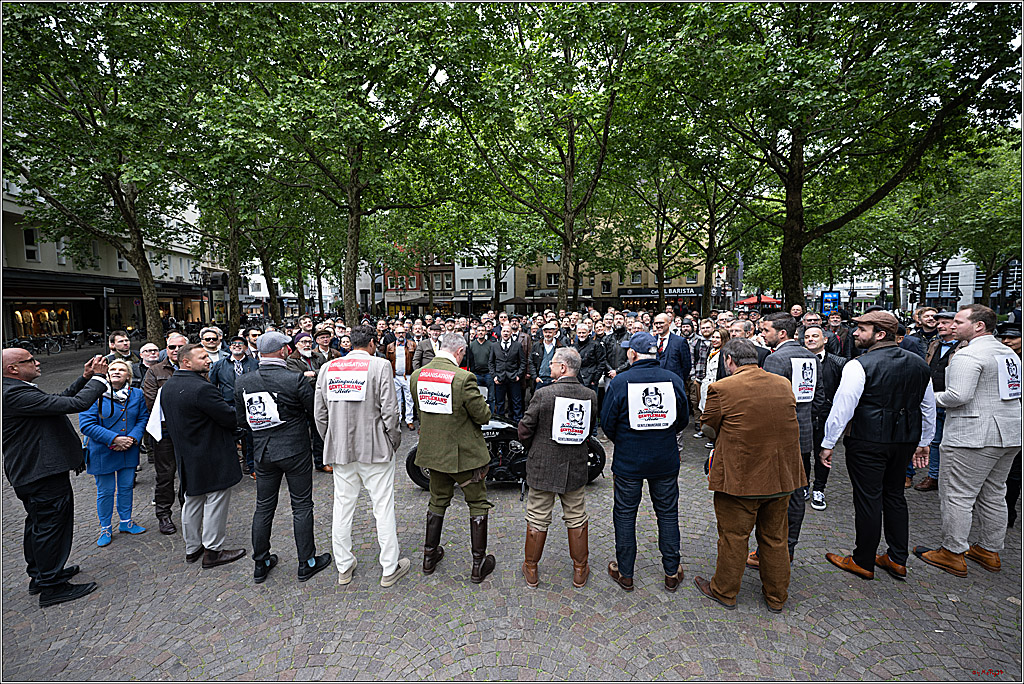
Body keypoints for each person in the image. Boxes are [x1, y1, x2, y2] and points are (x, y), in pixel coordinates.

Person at [820, 310, 935, 580]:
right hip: (904, 439)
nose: (856, 333)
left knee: (868, 498)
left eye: (862, 329)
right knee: (894, 496)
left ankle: (863, 560)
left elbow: (843, 407)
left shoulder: (859, 364)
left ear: (880, 334)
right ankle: (897, 558)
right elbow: (928, 406)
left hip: (867, 439)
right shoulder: (919, 363)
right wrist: (924, 441)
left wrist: (828, 442)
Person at [693, 339, 804, 613]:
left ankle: (724, 591)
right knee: (775, 538)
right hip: (780, 477)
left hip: (740, 478)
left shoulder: (722, 388)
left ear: (729, 360)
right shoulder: (783, 384)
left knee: (733, 536)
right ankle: (777, 596)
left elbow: (708, 427)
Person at [913, 305, 1022, 577]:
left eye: (959, 322)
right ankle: (989, 549)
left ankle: (952, 552)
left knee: (957, 494)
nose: (952, 325)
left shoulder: (968, 354)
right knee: (994, 492)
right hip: (1009, 432)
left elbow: (957, 396)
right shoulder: (1007, 353)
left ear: (979, 326)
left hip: (973, 435)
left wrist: (924, 398)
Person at [3, 350, 110, 607]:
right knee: (51, 526)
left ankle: (41, 575)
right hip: (41, 472)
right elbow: (75, 405)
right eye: (30, 360)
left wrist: (84, 378)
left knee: (39, 524)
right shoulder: (13, 393)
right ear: (13, 369)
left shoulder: (15, 389)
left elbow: (58, 400)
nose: (37, 362)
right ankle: (52, 586)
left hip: (35, 472)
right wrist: (99, 379)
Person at [314, 325, 411, 587]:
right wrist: (393, 441)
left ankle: (344, 566)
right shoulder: (380, 366)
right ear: (371, 343)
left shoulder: (328, 368)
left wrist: (332, 440)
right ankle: (389, 567)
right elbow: (390, 411)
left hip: (342, 449)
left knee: (342, 508)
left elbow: (320, 414)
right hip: (375, 448)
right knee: (383, 507)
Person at [236, 331, 331, 584]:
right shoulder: (294, 379)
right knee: (301, 505)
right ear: (282, 351)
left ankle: (260, 562)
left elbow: (242, 420)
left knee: (264, 506)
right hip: (294, 450)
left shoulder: (243, 381)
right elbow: (313, 411)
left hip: (263, 451)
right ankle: (306, 562)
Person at [601, 332, 689, 592]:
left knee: (625, 514)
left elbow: (608, 422)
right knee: (667, 513)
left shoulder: (621, 382)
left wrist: (626, 440)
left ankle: (625, 572)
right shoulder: (673, 379)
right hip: (664, 458)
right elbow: (682, 419)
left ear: (632, 354)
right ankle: (671, 571)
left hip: (629, 460)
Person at [410, 332, 496, 583]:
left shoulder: (417, 376)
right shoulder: (463, 378)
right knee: (477, 503)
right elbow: (483, 416)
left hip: (433, 453)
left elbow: (421, 411)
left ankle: (429, 557)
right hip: (464, 455)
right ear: (459, 352)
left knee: (437, 501)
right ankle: (478, 564)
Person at [160, 343, 246, 569]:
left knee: (193, 499)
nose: (208, 360)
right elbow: (228, 417)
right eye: (202, 357)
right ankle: (213, 551)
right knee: (216, 499)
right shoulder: (202, 388)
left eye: (207, 356)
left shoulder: (169, 386)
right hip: (211, 453)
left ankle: (193, 548)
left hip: (186, 454)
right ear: (186, 362)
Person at [747, 313, 822, 570]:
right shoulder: (811, 357)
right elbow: (819, 398)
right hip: (803, 434)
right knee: (797, 491)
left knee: (775, 496)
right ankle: (788, 548)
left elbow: (767, 402)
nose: (762, 334)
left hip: (779, 437)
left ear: (781, 333)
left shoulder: (775, 359)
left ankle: (770, 551)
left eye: (766, 330)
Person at [517, 347, 597, 589]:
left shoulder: (544, 394)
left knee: (537, 516)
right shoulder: (590, 395)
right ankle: (580, 569)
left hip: (543, 465)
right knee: (576, 516)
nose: (549, 366)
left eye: (552, 363)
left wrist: (535, 448)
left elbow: (524, 429)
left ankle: (531, 568)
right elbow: (588, 429)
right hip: (575, 465)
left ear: (563, 367)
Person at [79, 360, 150, 546]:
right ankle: (105, 527)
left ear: (129, 376)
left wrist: (132, 438)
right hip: (102, 451)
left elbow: (143, 418)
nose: (117, 372)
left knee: (126, 487)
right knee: (105, 491)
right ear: (106, 373)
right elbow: (86, 424)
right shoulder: (92, 394)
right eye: (112, 369)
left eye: (122, 369)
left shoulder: (137, 394)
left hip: (128, 449)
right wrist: (115, 439)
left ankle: (126, 522)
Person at [906, 311, 964, 491]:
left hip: (953, 401)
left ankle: (953, 480)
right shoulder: (934, 344)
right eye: (939, 323)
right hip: (933, 400)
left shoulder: (965, 347)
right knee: (934, 441)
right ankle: (933, 476)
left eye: (945, 323)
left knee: (954, 444)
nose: (940, 326)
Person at [142, 332, 189, 535]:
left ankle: (189, 510)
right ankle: (163, 514)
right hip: (165, 431)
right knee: (165, 475)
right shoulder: (154, 371)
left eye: (180, 347)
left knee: (189, 473)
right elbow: (152, 401)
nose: (176, 350)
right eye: (172, 347)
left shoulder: (196, 367)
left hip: (190, 431)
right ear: (166, 348)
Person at [802, 325, 846, 512]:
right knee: (803, 454)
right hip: (804, 416)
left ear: (825, 340)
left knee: (823, 454)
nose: (811, 339)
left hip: (826, 417)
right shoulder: (798, 360)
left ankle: (819, 489)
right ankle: (803, 485)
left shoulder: (838, 362)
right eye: (807, 337)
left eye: (815, 336)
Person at [995, 322, 1022, 527]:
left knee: (1014, 473)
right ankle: (1005, 511)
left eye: (1012, 338)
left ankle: (1008, 512)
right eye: (1004, 337)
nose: (1006, 341)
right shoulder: (1001, 359)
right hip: (1006, 420)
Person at [490, 323, 527, 422]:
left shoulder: (517, 345)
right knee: (500, 403)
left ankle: (517, 423)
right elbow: (491, 362)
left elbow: (523, 362)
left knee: (516, 402)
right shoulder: (494, 346)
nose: (505, 333)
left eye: (508, 331)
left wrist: (519, 375)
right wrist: (494, 376)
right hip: (499, 378)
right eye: (504, 331)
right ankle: (500, 423)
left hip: (514, 378)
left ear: (511, 333)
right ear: (501, 332)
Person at [468, 326, 496, 413]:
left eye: (483, 330)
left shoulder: (491, 345)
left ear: (486, 332)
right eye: (479, 330)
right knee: (477, 397)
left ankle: (491, 415)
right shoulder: (472, 345)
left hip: (488, 374)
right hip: (476, 374)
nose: (481, 332)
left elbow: (494, 359)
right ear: (476, 332)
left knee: (491, 397)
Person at [530, 322, 561, 389]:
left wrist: (559, 378)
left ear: (554, 333)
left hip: (554, 380)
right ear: (543, 332)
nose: (547, 334)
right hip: (540, 379)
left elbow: (563, 363)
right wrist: (535, 377)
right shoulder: (536, 345)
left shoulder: (560, 346)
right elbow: (531, 361)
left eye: (550, 332)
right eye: (546, 332)